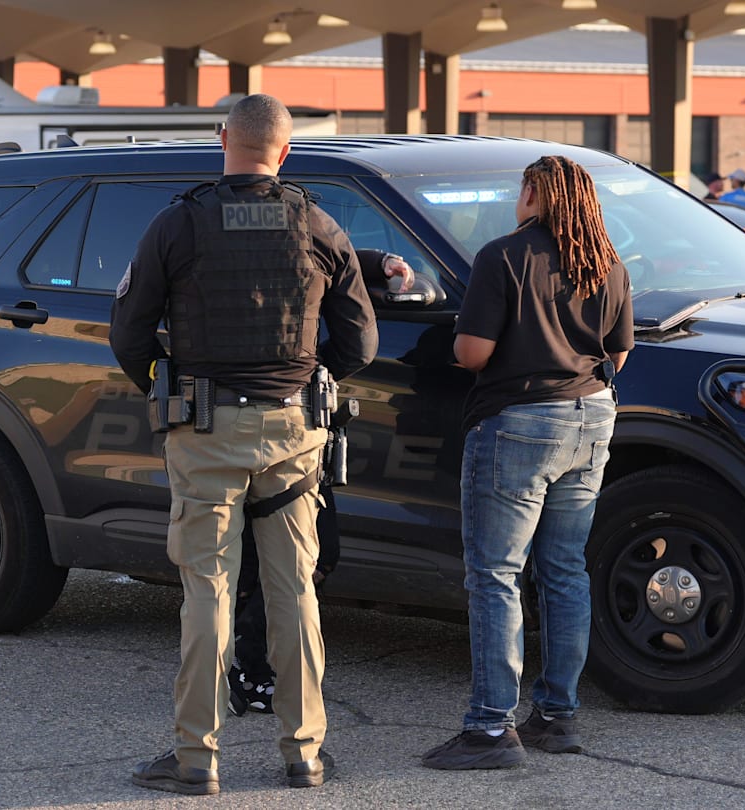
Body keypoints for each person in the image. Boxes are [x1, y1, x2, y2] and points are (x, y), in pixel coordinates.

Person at [110, 93, 378, 795]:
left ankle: (197, 759)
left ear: (222, 138)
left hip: (205, 430)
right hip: (294, 432)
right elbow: (361, 342)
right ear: (285, 150)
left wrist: (163, 389)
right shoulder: (318, 225)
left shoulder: (177, 225)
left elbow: (128, 335)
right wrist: (311, 382)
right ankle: (305, 754)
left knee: (209, 590)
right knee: (294, 594)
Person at [421, 155, 632, 771]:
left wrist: (462, 340)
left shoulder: (503, 257)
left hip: (517, 422)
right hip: (592, 418)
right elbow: (620, 352)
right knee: (565, 571)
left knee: (495, 576)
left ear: (535, 192)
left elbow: (473, 351)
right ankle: (557, 717)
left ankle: (489, 730)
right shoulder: (608, 263)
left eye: (521, 189)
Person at [227, 252, 412, 719]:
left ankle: (251, 671)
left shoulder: (296, 221)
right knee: (269, 558)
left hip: (282, 417)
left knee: (306, 552)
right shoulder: (208, 226)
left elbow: (332, 255)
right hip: (254, 417)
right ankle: (251, 674)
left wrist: (381, 262)